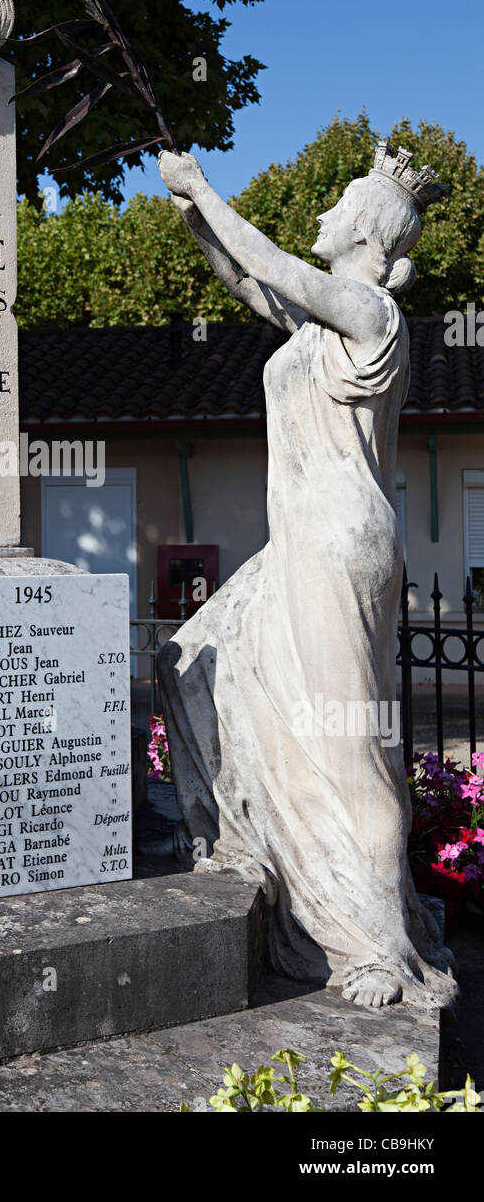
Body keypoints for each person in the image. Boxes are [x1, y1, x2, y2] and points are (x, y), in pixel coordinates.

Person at [156, 143, 457, 1009]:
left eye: (337, 204)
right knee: (186, 662)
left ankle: (376, 943)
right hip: (298, 544)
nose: (321, 212)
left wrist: (209, 191)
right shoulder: (323, 325)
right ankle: (242, 842)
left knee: (348, 738)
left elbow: (274, 264)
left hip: (337, 544)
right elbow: (252, 283)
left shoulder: (369, 312)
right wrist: (194, 216)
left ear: (364, 229)